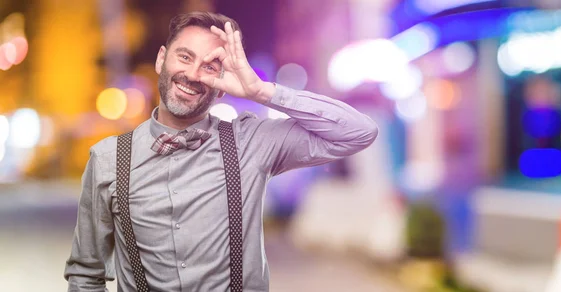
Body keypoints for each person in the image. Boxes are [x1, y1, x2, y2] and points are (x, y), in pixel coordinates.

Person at [64, 11, 378, 292]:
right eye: (184, 57)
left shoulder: (251, 142)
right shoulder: (107, 159)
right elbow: (86, 275)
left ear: (223, 82)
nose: (193, 74)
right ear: (162, 59)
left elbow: (358, 132)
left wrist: (261, 91)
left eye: (210, 66)